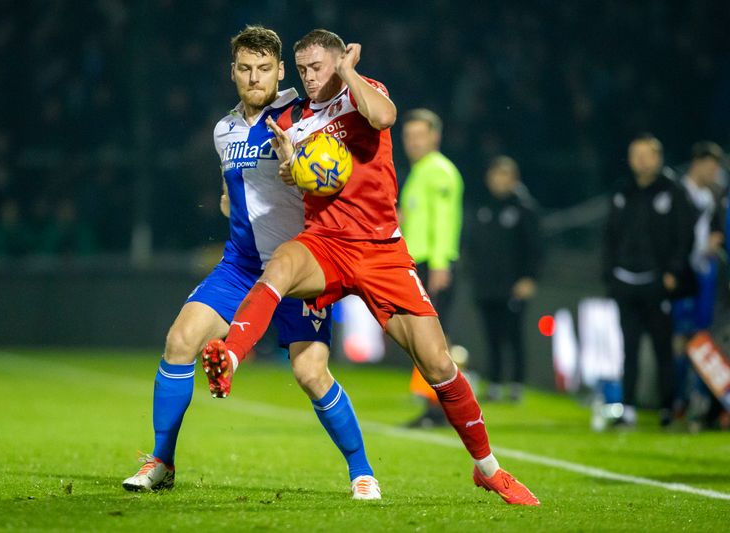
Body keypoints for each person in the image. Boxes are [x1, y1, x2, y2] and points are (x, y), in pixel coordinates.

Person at [201, 29, 539, 506]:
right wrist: (289, 166)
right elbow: (297, 173)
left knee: (438, 363)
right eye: (303, 70)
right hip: (326, 242)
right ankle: (230, 356)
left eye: (318, 66)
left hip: (381, 250)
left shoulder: (364, 94)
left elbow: (384, 116)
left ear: (339, 61)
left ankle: (488, 469)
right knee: (279, 264)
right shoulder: (295, 117)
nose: (310, 77)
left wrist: (348, 73)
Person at [123, 26, 380, 500]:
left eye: (264, 69)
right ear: (233, 73)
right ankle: (162, 461)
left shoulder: (301, 114)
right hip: (241, 266)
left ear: (281, 72)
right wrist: (230, 203)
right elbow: (231, 193)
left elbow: (334, 172)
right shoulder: (224, 130)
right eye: (245, 69)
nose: (254, 78)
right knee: (179, 341)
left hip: (297, 265)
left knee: (310, 374)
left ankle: (362, 471)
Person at [603, 133, 695, 427]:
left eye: (647, 154)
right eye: (636, 154)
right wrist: (610, 275)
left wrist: (673, 272)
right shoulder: (622, 191)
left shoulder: (673, 191)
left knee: (662, 347)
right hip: (625, 280)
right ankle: (627, 406)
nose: (641, 160)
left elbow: (685, 235)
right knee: (628, 347)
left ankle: (668, 407)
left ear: (658, 157)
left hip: (658, 281)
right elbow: (609, 238)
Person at [398, 108, 464, 427]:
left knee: (435, 339)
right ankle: (435, 406)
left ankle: (440, 408)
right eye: (408, 136)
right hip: (419, 263)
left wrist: (440, 265)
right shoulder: (421, 171)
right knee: (428, 338)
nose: (413, 142)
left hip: (433, 263)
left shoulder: (438, 170)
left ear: (435, 137)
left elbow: (444, 220)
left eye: (420, 135)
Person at [466, 156, 540, 402]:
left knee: (514, 335)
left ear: (514, 179)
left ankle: (517, 383)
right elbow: (473, 245)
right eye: (496, 175)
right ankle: (495, 382)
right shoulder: (483, 207)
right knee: (492, 336)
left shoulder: (524, 208)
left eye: (504, 176)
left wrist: (529, 277)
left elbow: (535, 247)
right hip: (487, 284)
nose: (499, 181)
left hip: (513, 285)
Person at [672, 141, 726, 425]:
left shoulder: (713, 197)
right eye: (711, 166)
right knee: (679, 339)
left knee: (701, 339)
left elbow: (715, 232)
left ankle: (697, 399)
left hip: (706, 277)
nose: (715, 172)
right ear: (698, 162)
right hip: (682, 276)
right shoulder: (677, 193)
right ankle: (676, 399)